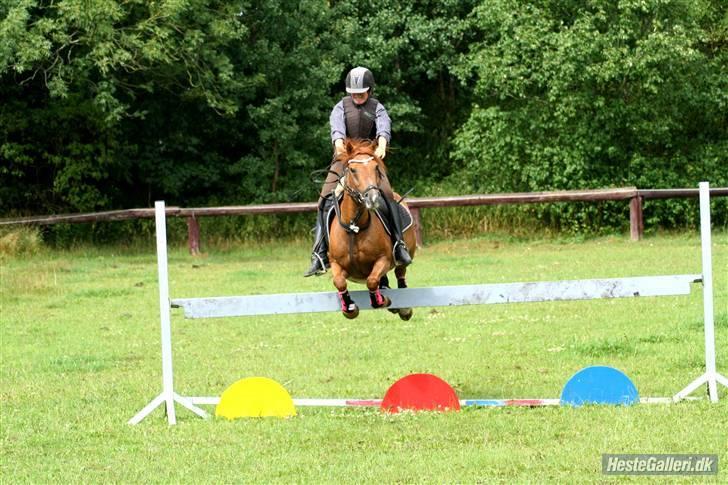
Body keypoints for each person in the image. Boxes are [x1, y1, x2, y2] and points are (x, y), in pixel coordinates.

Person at [304, 66, 413, 277]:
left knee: (388, 197)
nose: (357, 96)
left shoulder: (377, 108)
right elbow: (337, 130)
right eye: (353, 93)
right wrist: (338, 145)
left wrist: (381, 145)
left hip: (370, 161)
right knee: (324, 200)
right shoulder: (340, 107)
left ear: (370, 90)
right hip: (345, 158)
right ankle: (319, 254)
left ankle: (399, 245)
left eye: (361, 93)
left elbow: (384, 128)